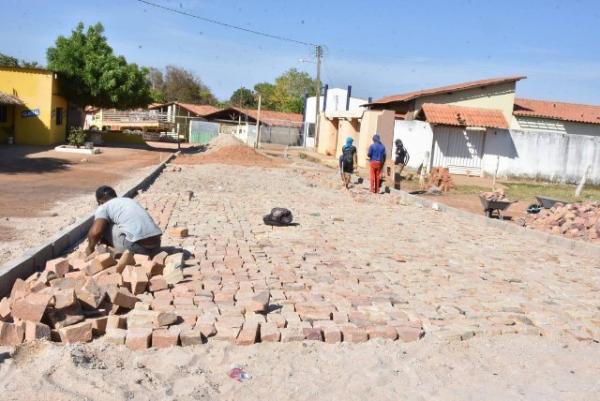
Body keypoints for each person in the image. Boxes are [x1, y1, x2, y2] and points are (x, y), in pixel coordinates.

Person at [86, 185, 162, 256]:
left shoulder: (104, 207)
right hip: (156, 246)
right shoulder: (129, 200)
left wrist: (90, 248)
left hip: (138, 249)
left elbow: (95, 232)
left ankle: (111, 253)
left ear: (100, 201)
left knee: (104, 226)